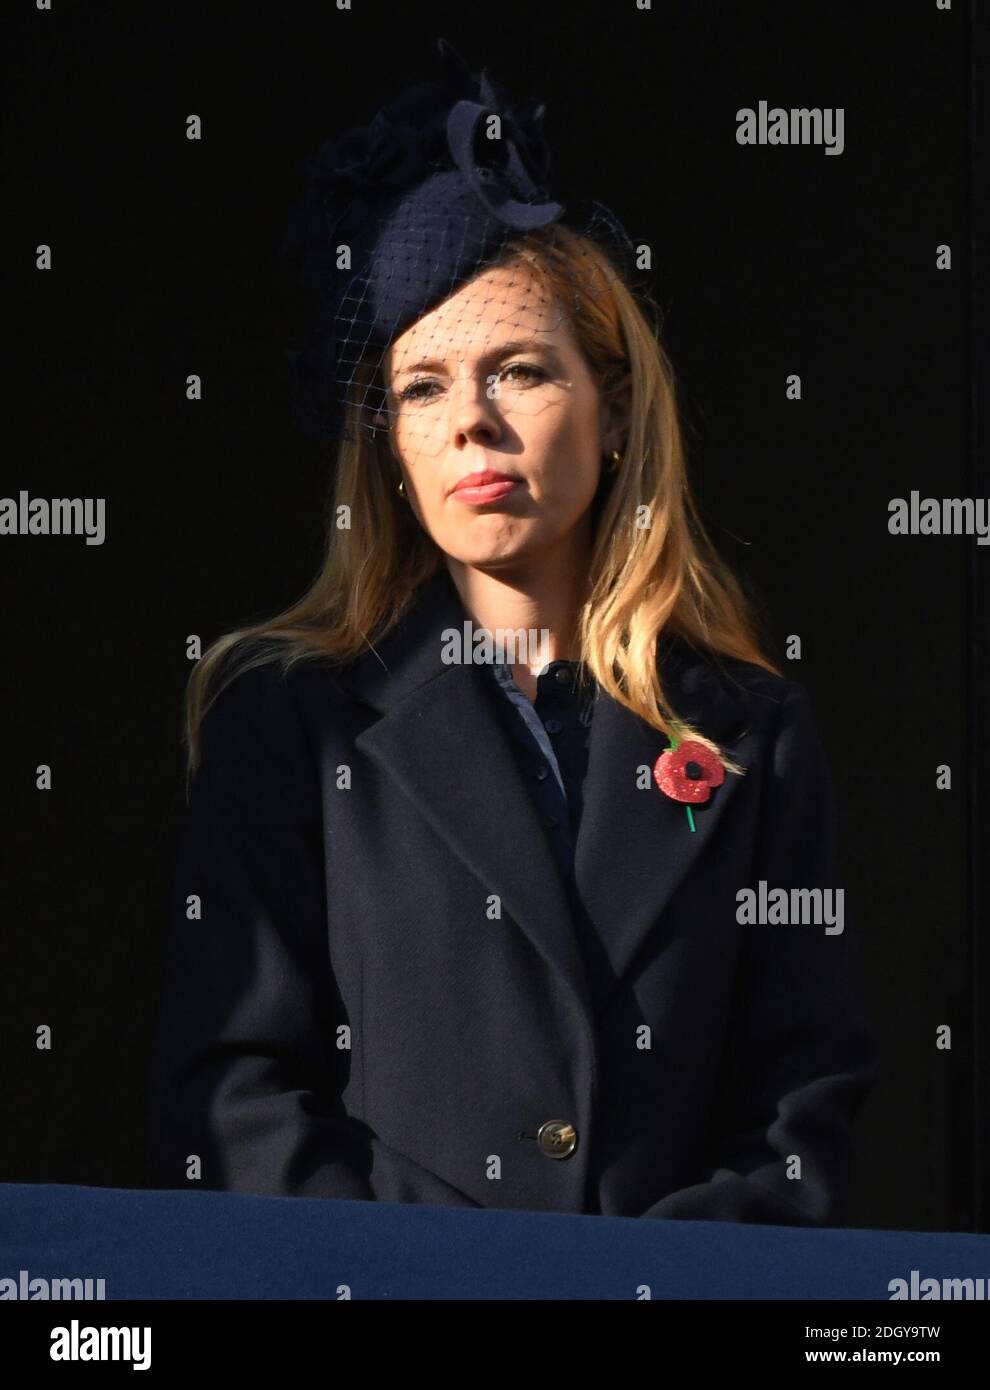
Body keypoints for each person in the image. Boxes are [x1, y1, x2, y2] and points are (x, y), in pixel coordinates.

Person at [147, 38, 878, 1223]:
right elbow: (233, 1099)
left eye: (521, 372)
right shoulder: (289, 720)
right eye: (422, 387)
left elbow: (800, 1101)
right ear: (387, 441)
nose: (470, 426)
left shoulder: (756, 730)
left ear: (615, 402)